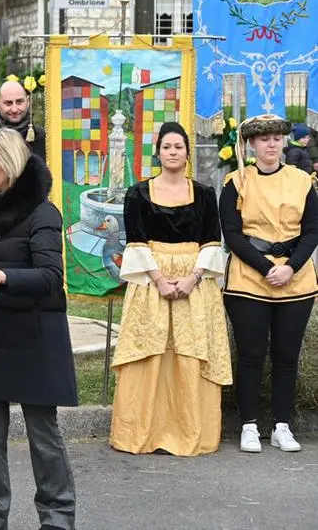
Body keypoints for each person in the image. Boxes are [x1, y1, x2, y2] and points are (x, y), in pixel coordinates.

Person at [0, 129, 76, 530]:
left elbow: (49, 276)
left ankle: (57, 516)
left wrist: (2, 275)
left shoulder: (42, 213)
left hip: (34, 337)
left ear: (8, 162)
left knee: (43, 436)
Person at [109, 122, 232, 456]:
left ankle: (190, 430)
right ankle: (141, 432)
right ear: (158, 152)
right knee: (149, 352)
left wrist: (191, 279)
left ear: (187, 153)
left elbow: (211, 241)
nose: (173, 152)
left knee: (190, 353)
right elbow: (135, 240)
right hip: (152, 280)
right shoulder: (138, 193)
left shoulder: (205, 194)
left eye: (179, 147)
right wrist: (160, 280)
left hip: (195, 281)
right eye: (167, 147)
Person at [220, 114, 318, 454]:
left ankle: (281, 425)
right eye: (264, 139)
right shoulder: (236, 181)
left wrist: (290, 267)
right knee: (250, 354)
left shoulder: (302, 181)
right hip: (250, 277)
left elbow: (312, 231)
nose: (272, 144)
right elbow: (232, 233)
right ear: (251, 144)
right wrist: (265, 268)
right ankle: (248, 424)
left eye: (277, 138)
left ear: (284, 141)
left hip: (296, 278)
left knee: (286, 356)